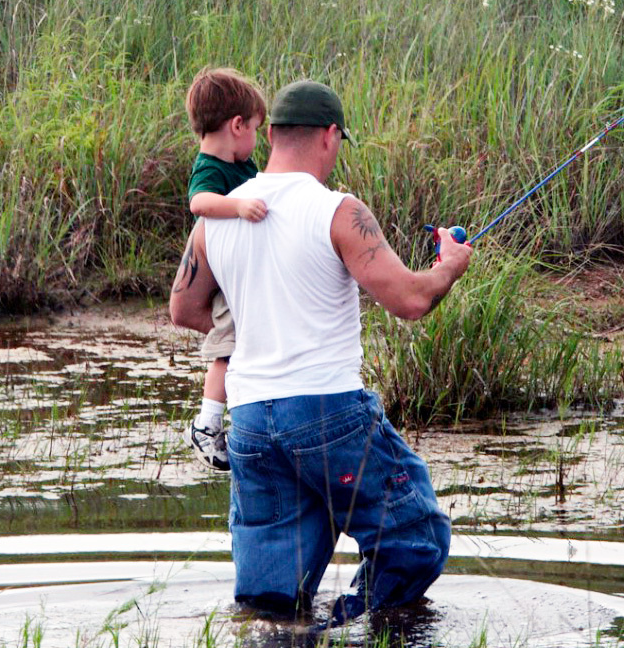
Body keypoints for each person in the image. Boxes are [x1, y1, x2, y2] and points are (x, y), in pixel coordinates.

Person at [169, 79, 473, 623]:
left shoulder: (220, 215)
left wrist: (256, 312)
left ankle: (288, 633)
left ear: (274, 136)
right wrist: (449, 264)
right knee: (415, 536)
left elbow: (184, 310)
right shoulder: (338, 210)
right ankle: (348, 623)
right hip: (328, 415)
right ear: (330, 136)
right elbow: (408, 299)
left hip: (253, 424)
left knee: (270, 594)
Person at [182, 67, 268, 472]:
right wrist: (236, 206)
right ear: (237, 125)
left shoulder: (243, 168)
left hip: (243, 277)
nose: (256, 140)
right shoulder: (210, 168)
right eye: (254, 128)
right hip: (225, 284)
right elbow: (199, 204)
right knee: (228, 350)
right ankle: (207, 422)